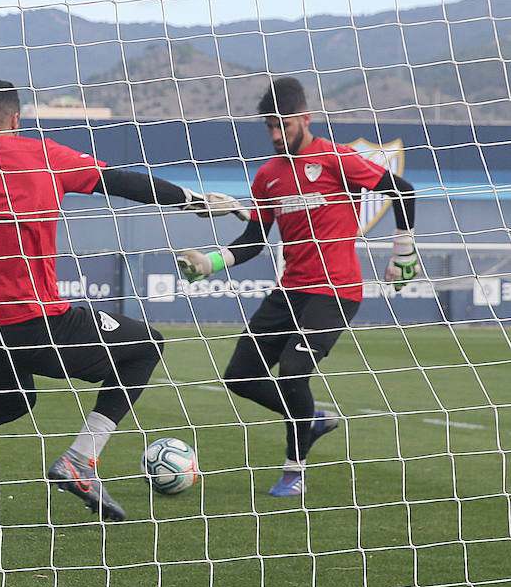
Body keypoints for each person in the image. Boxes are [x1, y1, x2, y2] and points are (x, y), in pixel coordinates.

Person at [0, 79, 247, 521]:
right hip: (37, 324)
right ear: (16, 120)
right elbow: (119, 182)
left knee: (11, 400)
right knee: (145, 346)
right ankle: (80, 458)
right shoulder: (42, 155)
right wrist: (192, 201)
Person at [176, 77, 417, 497]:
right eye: (269, 126)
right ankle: (313, 420)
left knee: (292, 372)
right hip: (290, 290)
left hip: (336, 292)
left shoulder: (337, 158)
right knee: (239, 375)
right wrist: (210, 262)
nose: (274, 134)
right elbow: (254, 241)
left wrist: (403, 252)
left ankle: (294, 470)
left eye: (281, 126)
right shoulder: (267, 176)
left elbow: (402, 189)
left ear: (304, 119)